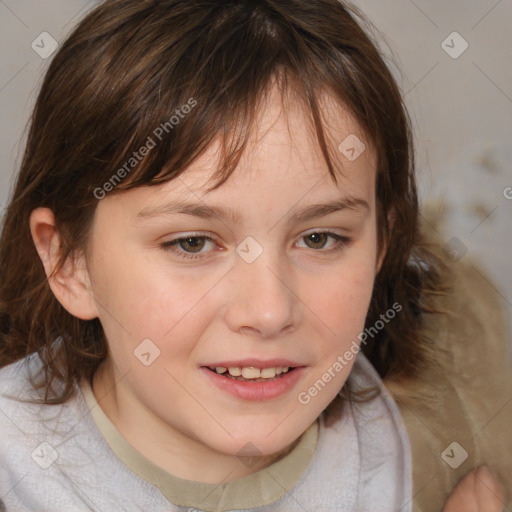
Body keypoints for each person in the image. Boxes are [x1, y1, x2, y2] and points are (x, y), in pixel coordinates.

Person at [0, 1, 508, 511]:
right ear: (69, 262)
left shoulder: (439, 454)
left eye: (319, 238)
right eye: (192, 243)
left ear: (382, 243)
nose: (269, 311)